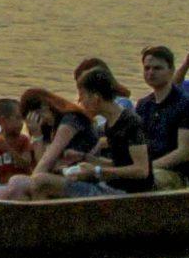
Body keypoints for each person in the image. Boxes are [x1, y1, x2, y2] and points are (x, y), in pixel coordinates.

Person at [47, 66, 151, 195]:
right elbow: (120, 164)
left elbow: (141, 170)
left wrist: (96, 171)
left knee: (42, 182)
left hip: (127, 195)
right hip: (112, 187)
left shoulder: (131, 123)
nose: (80, 101)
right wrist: (85, 158)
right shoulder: (110, 123)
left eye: (82, 96)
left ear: (96, 98)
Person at [134, 45, 189, 189]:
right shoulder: (143, 105)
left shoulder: (187, 104)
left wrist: (147, 167)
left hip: (175, 174)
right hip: (146, 167)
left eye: (157, 68)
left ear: (171, 70)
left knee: (145, 180)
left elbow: (184, 152)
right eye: (147, 68)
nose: (151, 72)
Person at [0, 97, 36, 186]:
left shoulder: (23, 140)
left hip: (21, 185)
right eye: (18, 118)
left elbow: (26, 164)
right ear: (3, 120)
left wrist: (7, 149)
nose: (22, 123)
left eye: (22, 119)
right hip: (2, 185)